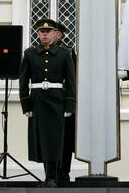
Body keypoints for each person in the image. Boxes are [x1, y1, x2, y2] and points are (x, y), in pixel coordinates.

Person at [19, 19, 75, 188]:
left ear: (54, 34)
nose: (44, 34)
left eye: (48, 31)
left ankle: (52, 177)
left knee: (55, 140)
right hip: (38, 101)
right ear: (38, 34)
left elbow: (71, 82)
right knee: (42, 139)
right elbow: (23, 81)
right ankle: (48, 177)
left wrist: (69, 105)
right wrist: (26, 105)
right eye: (42, 32)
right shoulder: (29, 53)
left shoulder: (64, 54)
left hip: (57, 100)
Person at [53, 22, 76, 182]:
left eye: (52, 31)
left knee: (66, 139)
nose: (47, 34)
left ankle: (63, 172)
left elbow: (72, 78)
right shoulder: (38, 52)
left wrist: (70, 102)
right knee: (50, 138)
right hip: (49, 101)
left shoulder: (67, 52)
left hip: (64, 100)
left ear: (60, 34)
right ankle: (51, 172)